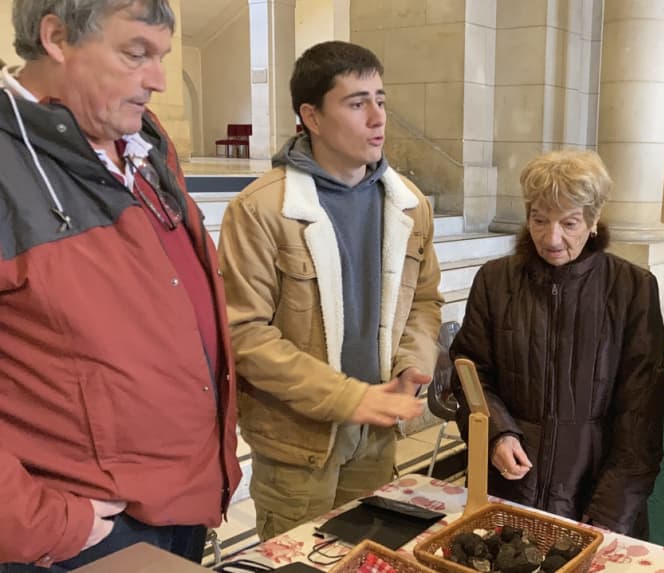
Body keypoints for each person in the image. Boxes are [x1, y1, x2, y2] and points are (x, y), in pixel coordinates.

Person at [0, 0, 241, 569]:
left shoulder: (145, 143)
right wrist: (43, 522)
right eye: (136, 54)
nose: (158, 80)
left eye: (161, 57)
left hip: (182, 498)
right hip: (76, 530)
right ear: (56, 37)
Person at [218, 41, 443, 541]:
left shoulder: (409, 204)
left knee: (367, 552)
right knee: (301, 558)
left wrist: (412, 363)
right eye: (356, 102)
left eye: (381, 100)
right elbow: (244, 334)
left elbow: (425, 300)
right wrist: (348, 398)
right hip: (300, 444)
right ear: (311, 117)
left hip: (378, 435)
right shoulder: (261, 210)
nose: (377, 117)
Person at [450, 149, 664, 539]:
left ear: (594, 219)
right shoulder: (495, 280)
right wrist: (497, 433)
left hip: (596, 491)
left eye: (569, 223)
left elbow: (641, 416)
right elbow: (469, 374)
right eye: (539, 220)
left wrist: (608, 514)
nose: (551, 238)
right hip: (510, 483)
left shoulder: (632, 288)